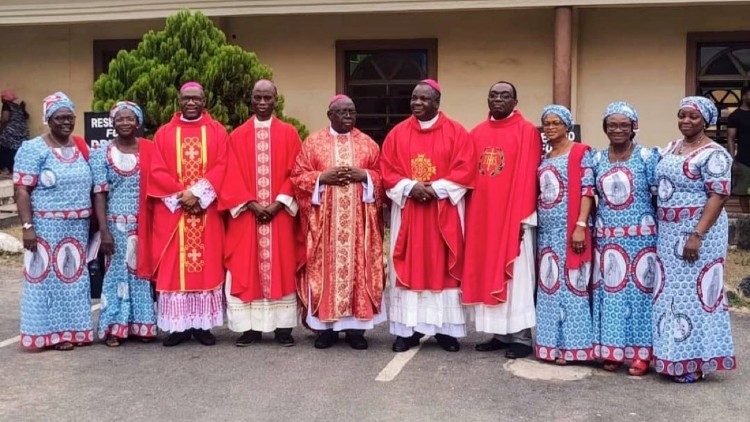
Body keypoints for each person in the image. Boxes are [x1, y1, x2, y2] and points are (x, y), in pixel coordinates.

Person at [380, 79, 475, 353]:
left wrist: (435, 189)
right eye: (414, 98)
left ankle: (446, 331)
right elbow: (387, 169)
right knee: (410, 265)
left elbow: (465, 169)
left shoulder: (457, 132)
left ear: (437, 102)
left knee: (443, 267)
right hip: (409, 210)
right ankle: (407, 330)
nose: (417, 103)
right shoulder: (397, 134)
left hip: (443, 211)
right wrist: (411, 187)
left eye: (423, 99)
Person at [653, 96, 736, 383]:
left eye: (694, 117)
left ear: (706, 121)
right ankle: (669, 356)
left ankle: (694, 361)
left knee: (696, 296)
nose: (686, 121)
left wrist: (697, 234)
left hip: (699, 233)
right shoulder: (671, 147)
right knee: (668, 294)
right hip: (668, 231)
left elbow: (719, 195)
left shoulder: (715, 154)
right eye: (682, 115)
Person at [292, 94, 385, 350]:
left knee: (358, 270)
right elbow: (298, 177)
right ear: (329, 115)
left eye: (351, 112)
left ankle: (356, 330)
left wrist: (364, 175)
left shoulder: (368, 144)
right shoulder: (312, 144)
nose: (348, 117)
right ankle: (325, 330)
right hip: (324, 224)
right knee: (322, 271)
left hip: (358, 225)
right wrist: (322, 178)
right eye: (342, 112)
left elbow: (381, 178)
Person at [139, 82, 228, 347]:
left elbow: (223, 164)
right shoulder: (165, 134)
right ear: (179, 101)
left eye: (196, 99)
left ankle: (202, 327)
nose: (191, 103)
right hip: (174, 213)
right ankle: (178, 328)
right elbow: (156, 170)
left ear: (204, 101)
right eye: (186, 99)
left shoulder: (217, 131)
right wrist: (183, 196)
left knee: (206, 265)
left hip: (205, 211)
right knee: (173, 269)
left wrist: (198, 195)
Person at [218, 79, 301, 347]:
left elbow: (297, 172)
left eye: (267, 98)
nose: (262, 103)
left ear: (276, 100)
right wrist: (250, 203)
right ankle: (249, 328)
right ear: (250, 100)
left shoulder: (289, 134)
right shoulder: (237, 136)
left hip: (280, 216)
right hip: (246, 216)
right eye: (257, 98)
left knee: (283, 265)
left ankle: (283, 328)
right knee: (245, 266)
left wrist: (278, 203)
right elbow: (229, 175)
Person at [462, 81, 541, 359]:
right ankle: (498, 333)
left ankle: (520, 336)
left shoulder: (527, 131)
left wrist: (523, 217)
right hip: (483, 216)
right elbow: (468, 175)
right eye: (493, 94)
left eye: (504, 95)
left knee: (517, 274)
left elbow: (528, 174)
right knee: (487, 269)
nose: (498, 99)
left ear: (515, 101)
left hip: (513, 215)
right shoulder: (477, 133)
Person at [584, 102, 658, 376]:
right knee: (610, 295)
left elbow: (657, 196)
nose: (617, 130)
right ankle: (612, 351)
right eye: (612, 125)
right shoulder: (596, 159)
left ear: (633, 128)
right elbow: (589, 197)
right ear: (605, 128)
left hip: (641, 239)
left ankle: (642, 354)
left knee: (639, 295)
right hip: (606, 238)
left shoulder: (648, 157)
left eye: (624, 125)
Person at [15, 92, 93, 351]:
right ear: (48, 119)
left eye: (69, 117)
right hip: (45, 227)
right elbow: (22, 190)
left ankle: (73, 331)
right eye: (59, 117)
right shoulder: (33, 149)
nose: (65, 122)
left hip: (77, 227)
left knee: (73, 279)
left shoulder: (81, 147)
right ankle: (50, 335)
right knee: (45, 278)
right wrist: (27, 228)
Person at [91, 101, 157, 347]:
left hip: (144, 223)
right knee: (116, 275)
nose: (125, 123)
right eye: (120, 119)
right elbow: (100, 193)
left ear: (138, 122)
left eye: (130, 119)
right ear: (113, 123)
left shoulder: (150, 149)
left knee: (141, 275)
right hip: (115, 225)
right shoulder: (102, 154)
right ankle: (114, 329)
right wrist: (104, 230)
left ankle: (142, 326)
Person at [535, 105, 595, 365]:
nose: (550, 127)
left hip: (571, 231)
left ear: (567, 127)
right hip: (547, 233)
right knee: (549, 287)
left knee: (573, 287)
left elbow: (587, 191)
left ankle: (574, 347)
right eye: (546, 123)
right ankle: (550, 346)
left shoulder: (581, 153)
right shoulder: (545, 156)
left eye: (556, 123)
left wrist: (580, 225)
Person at [728, 86, 750, 213]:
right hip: (743, 160)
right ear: (744, 96)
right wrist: (732, 160)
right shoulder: (735, 116)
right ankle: (747, 218)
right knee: (743, 192)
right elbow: (731, 138)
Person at [0, 90, 30, 174]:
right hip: (23, 131)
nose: (1, 99)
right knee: (15, 150)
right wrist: (23, 107)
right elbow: (26, 116)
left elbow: (5, 119)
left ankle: (4, 168)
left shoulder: (6, 105)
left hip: (11, 131)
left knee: (4, 147)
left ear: (4, 99)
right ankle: (13, 168)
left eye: (2, 98)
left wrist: (1, 129)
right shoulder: (17, 106)